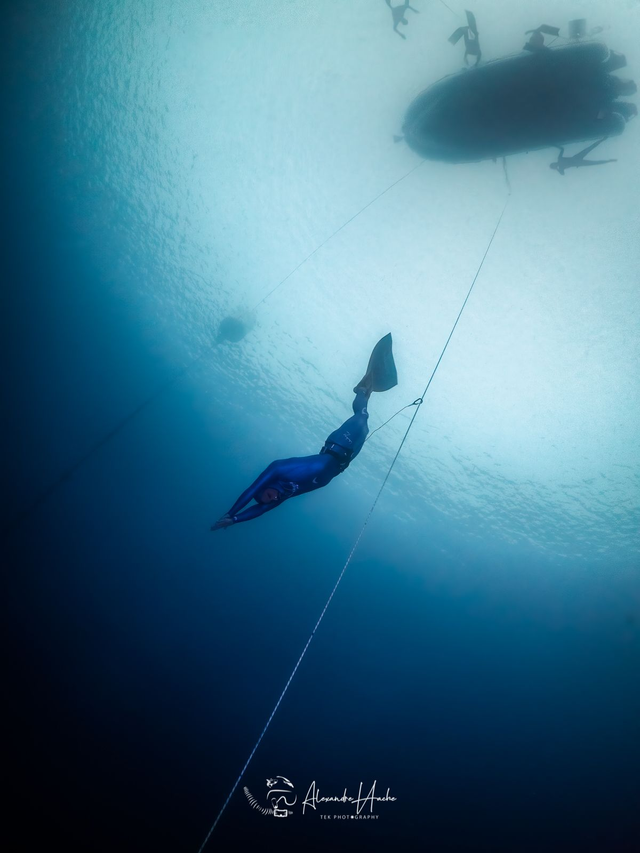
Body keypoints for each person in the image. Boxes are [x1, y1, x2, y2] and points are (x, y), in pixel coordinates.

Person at [211, 335, 397, 529]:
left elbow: (251, 491)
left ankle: (361, 389)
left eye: (268, 494)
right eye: (271, 499)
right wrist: (234, 521)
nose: (274, 497)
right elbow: (262, 509)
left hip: (338, 445)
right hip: (345, 461)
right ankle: (368, 389)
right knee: (366, 426)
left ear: (266, 487)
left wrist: (231, 513)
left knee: (362, 418)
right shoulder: (283, 494)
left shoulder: (278, 470)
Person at [549, 139, 617, 175]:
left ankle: (603, 139)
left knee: (590, 148)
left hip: (577, 158)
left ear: (554, 163)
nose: (555, 165)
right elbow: (562, 174)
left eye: (554, 165)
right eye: (554, 166)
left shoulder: (560, 163)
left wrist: (554, 145)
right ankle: (610, 160)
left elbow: (562, 149)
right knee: (595, 162)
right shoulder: (560, 166)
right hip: (578, 162)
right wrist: (554, 145)